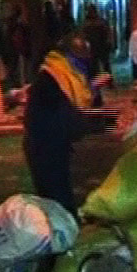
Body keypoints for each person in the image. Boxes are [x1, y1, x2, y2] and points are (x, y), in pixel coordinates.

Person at [22, 33, 114, 218]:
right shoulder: (55, 80)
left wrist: (93, 90)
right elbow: (64, 117)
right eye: (80, 61)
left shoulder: (58, 75)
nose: (84, 66)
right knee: (57, 200)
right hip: (47, 145)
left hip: (48, 143)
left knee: (56, 198)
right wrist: (97, 125)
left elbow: (74, 102)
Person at [82, 4, 113, 75]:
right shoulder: (98, 21)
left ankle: (105, 82)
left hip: (100, 46)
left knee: (101, 66)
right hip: (96, 47)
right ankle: (104, 82)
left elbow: (108, 33)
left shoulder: (88, 23)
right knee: (98, 66)